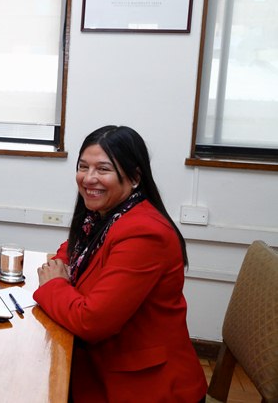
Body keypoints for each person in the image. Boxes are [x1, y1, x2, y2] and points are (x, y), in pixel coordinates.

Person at [33, 126, 207, 402]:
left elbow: (91, 322)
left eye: (103, 169)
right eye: (83, 167)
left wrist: (54, 284)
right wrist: (60, 271)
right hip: (99, 367)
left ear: (135, 177)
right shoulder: (103, 214)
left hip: (143, 387)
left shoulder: (144, 233)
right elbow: (71, 250)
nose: (89, 178)